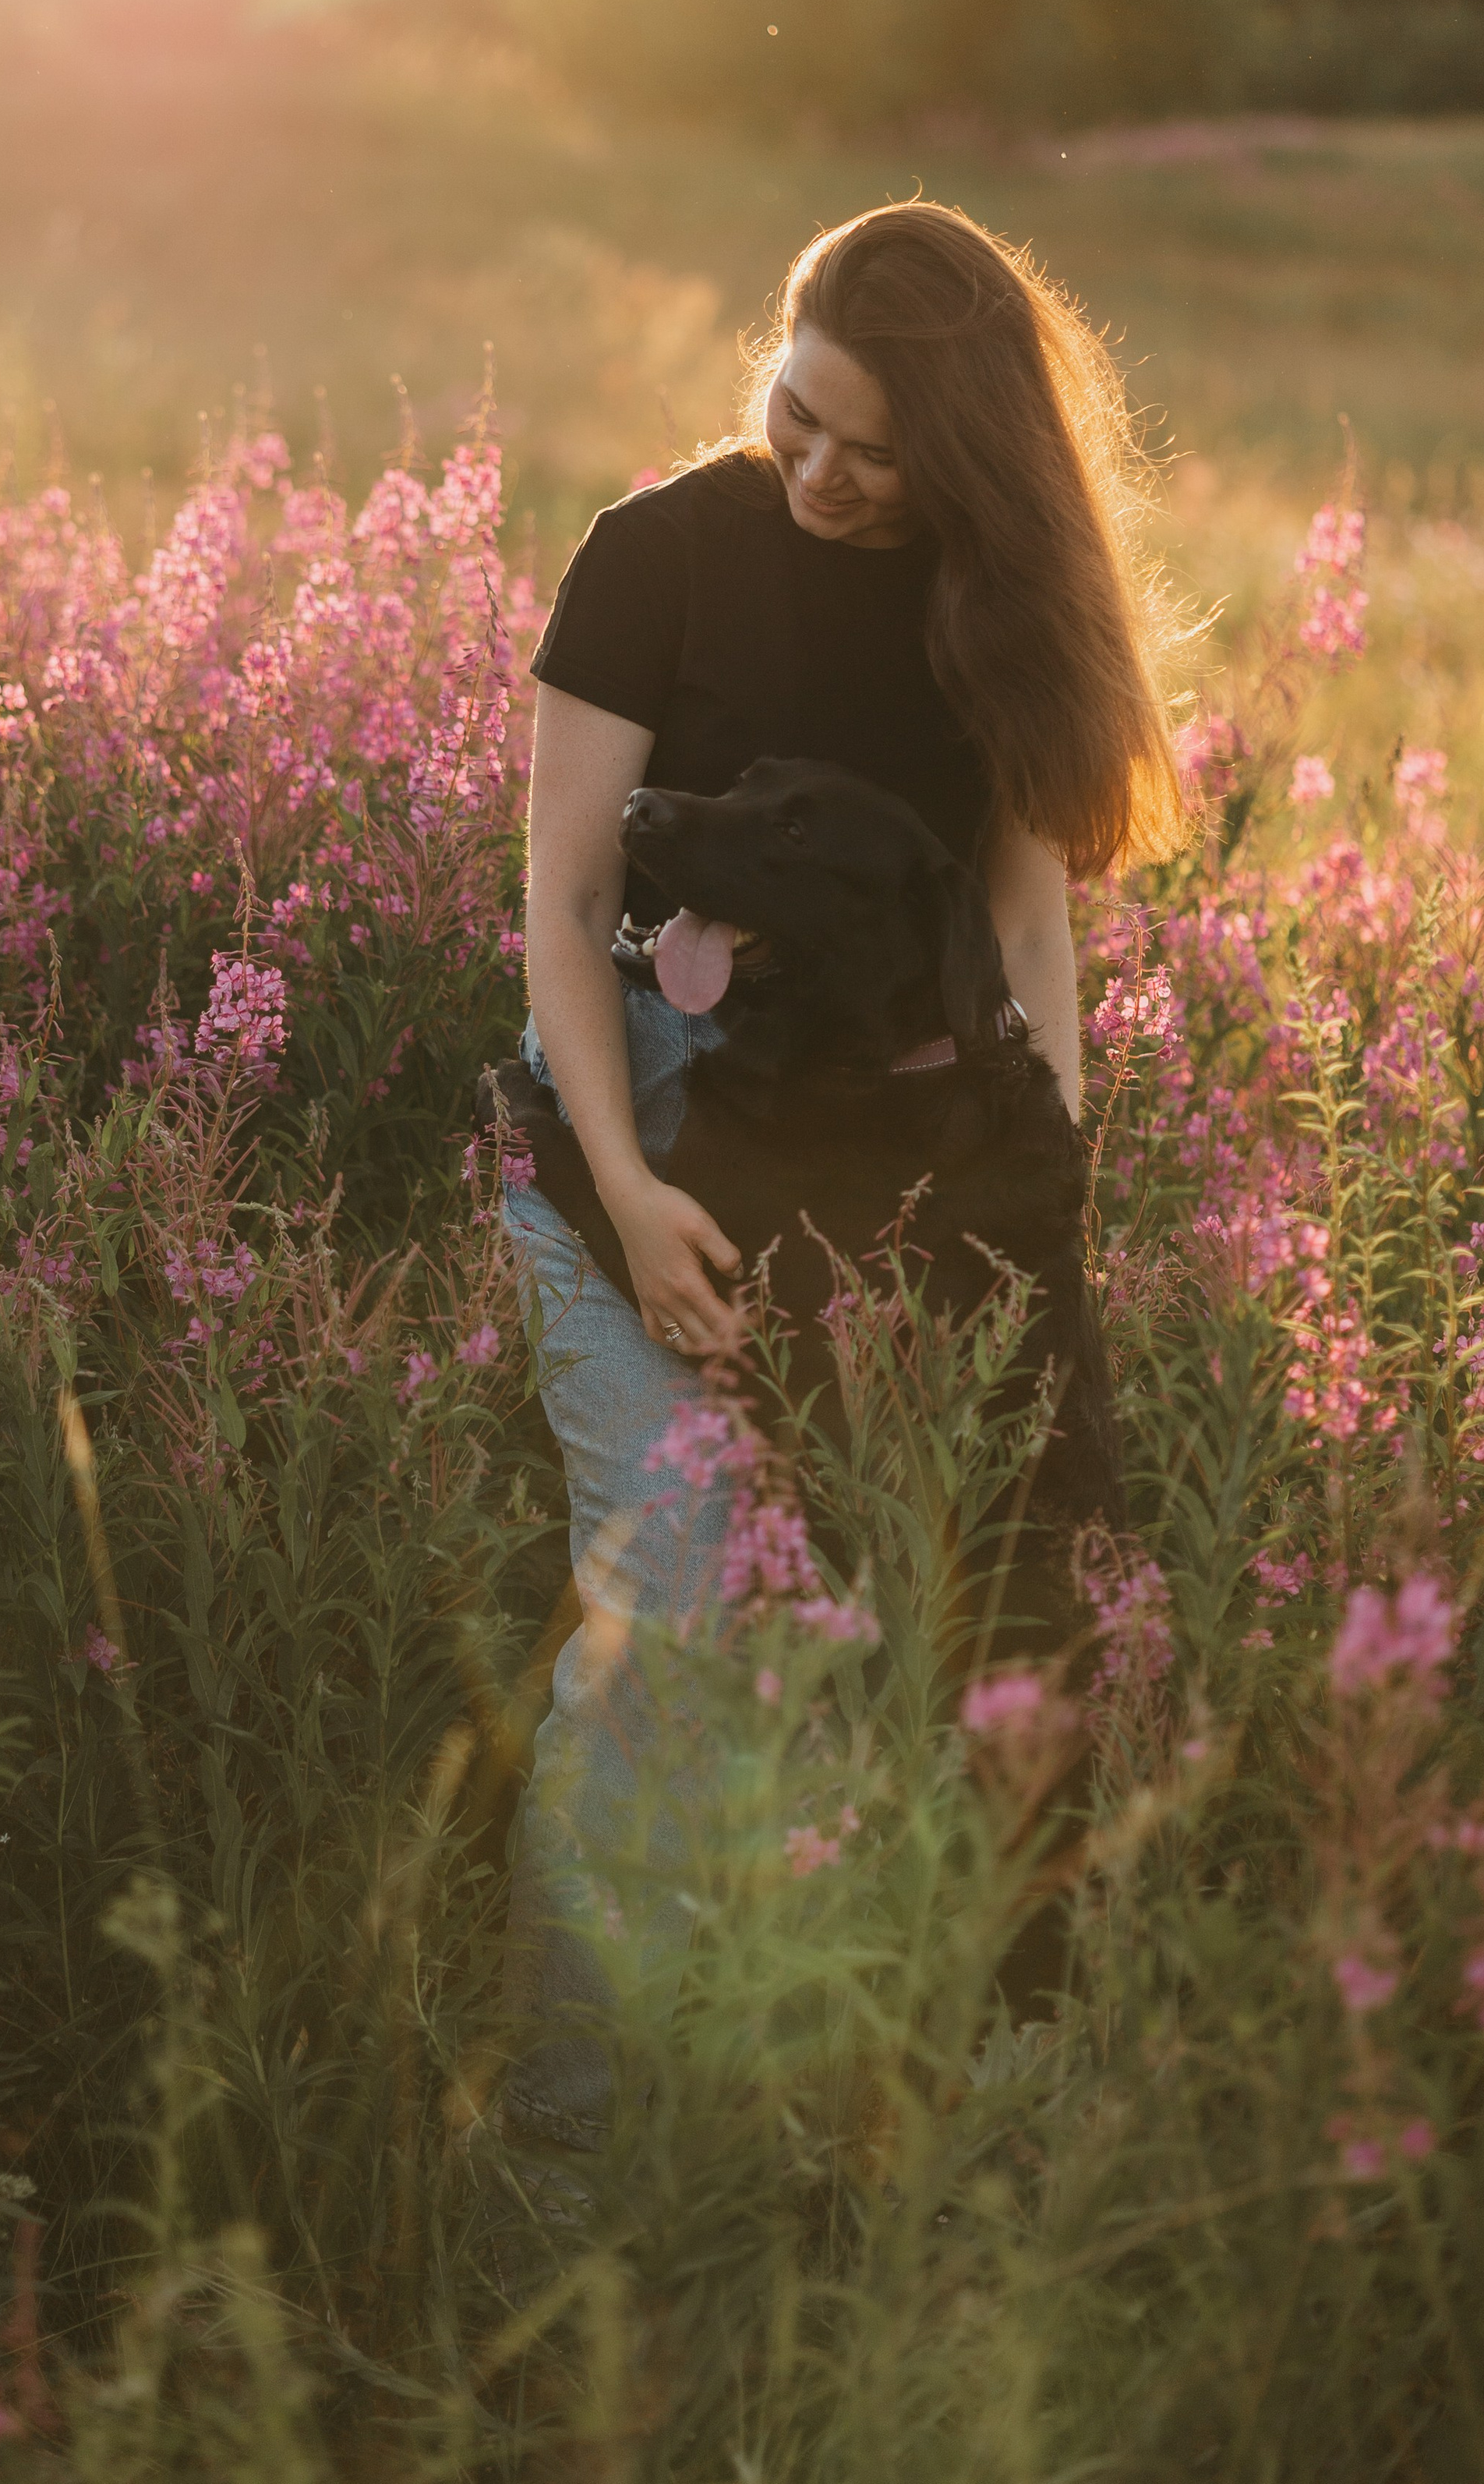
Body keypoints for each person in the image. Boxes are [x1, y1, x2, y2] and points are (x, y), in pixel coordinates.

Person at [496, 198, 1185, 2160]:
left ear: (962, 462)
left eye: (872, 454)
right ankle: (553, 2141)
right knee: (691, 1606)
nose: (815, 470)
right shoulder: (655, 557)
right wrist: (625, 1190)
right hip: (641, 1120)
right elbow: (561, 895)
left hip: (899, 1163)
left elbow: (1023, 936)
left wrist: (1036, 1206)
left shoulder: (989, 605)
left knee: (957, 1619)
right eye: (796, 415)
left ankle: (851, 2117)